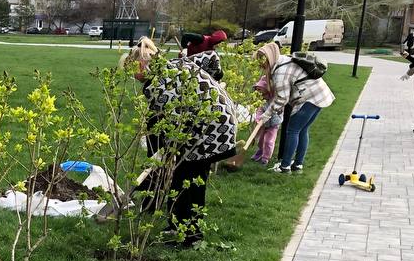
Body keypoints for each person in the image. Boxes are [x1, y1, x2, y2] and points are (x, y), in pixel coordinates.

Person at [120, 37, 239, 247]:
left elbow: (168, 120)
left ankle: (190, 235)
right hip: (210, 124)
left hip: (209, 131)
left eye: (132, 71)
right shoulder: (169, 68)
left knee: (190, 181)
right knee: (180, 177)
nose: (133, 77)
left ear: (141, 65)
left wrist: (163, 149)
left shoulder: (158, 84)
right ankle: (177, 226)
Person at [258, 41, 335, 174]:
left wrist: (266, 114)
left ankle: (285, 166)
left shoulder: (280, 71)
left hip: (309, 98)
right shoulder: (283, 59)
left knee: (292, 130)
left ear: (269, 58)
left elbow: (282, 98)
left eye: (262, 61)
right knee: (302, 129)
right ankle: (298, 165)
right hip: (320, 95)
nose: (261, 65)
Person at [249, 70, 282, 166]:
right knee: (261, 141)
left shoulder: (273, 98)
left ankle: (265, 158)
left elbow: (278, 105)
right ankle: (260, 152)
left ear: (266, 88)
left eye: (260, 89)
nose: (258, 91)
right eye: (257, 89)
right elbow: (259, 110)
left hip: (273, 124)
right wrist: (258, 118)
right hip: (263, 123)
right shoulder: (261, 99)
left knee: (269, 141)